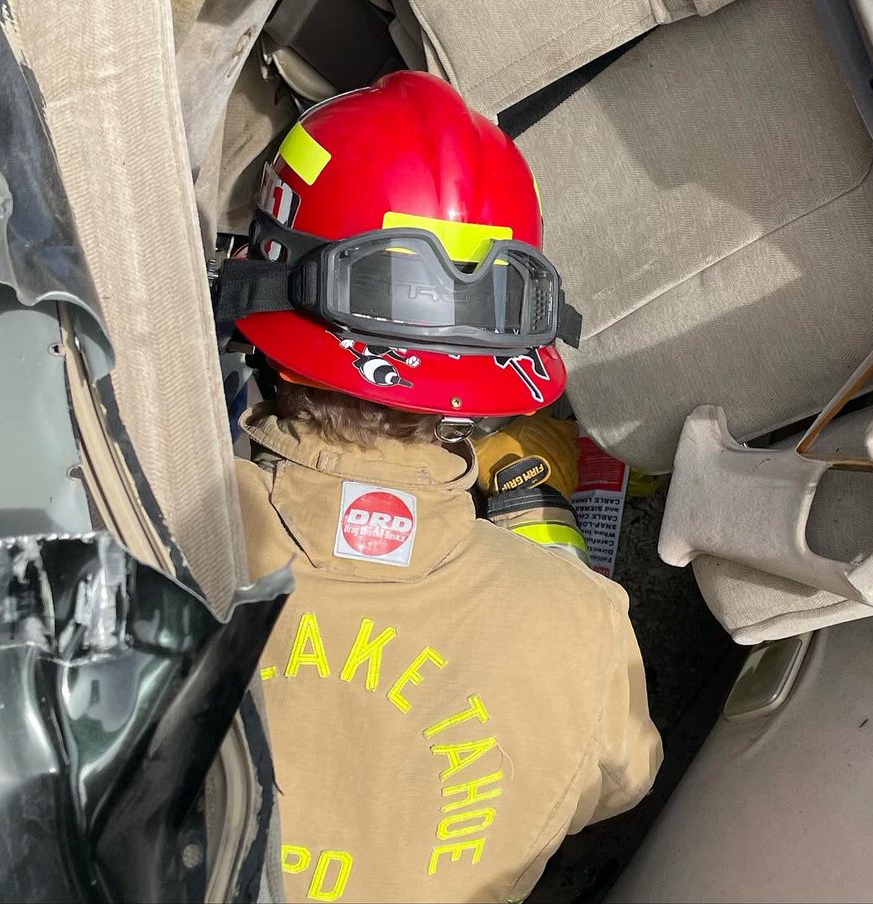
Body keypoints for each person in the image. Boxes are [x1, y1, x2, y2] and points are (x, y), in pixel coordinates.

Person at [217, 70, 662, 904]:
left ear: (260, 287)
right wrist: (535, 545)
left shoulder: (142, 536)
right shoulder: (583, 629)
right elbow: (621, 775)